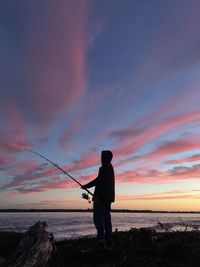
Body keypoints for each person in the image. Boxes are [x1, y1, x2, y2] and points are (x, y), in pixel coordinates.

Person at [81, 150, 115, 248]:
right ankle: (108, 240)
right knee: (107, 220)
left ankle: (101, 242)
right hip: (107, 199)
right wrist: (86, 186)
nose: (100, 159)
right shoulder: (109, 167)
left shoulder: (105, 168)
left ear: (107, 158)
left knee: (99, 220)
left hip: (101, 199)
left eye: (102, 157)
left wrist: (98, 197)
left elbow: (101, 183)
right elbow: (99, 181)